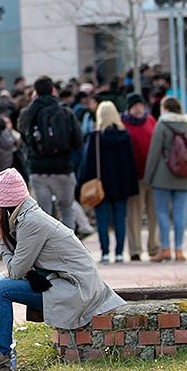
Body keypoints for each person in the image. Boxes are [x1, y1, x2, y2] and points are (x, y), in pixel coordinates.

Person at [0, 168, 125, 371]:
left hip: (77, 292)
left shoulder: (31, 222)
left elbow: (16, 271)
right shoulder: (28, 215)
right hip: (66, 283)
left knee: (1, 288)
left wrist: (1, 244)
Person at [17, 76, 92, 237]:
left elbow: (23, 136)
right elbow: (78, 141)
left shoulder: (28, 113)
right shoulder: (65, 112)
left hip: (38, 169)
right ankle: (69, 247)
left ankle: (47, 251)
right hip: (63, 168)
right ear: (53, 90)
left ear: (35, 93)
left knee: (43, 214)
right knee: (66, 209)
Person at [77, 102, 138, 264]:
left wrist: (81, 183)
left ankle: (105, 252)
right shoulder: (125, 136)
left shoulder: (95, 137)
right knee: (120, 218)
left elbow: (87, 164)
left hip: (100, 185)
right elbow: (131, 163)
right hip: (121, 184)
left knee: (102, 219)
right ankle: (119, 253)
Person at [143, 97, 187, 262]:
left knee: (162, 213)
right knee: (179, 214)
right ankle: (179, 250)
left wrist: (148, 178)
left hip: (162, 176)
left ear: (165, 108)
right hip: (185, 177)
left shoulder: (162, 125)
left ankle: (165, 249)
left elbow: (154, 153)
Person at [121, 93, 159, 262]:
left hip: (153, 175)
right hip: (134, 176)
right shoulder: (123, 124)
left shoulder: (151, 121)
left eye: (141, 106)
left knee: (154, 214)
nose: (139, 109)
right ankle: (135, 249)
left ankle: (154, 247)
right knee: (134, 214)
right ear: (129, 108)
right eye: (135, 106)